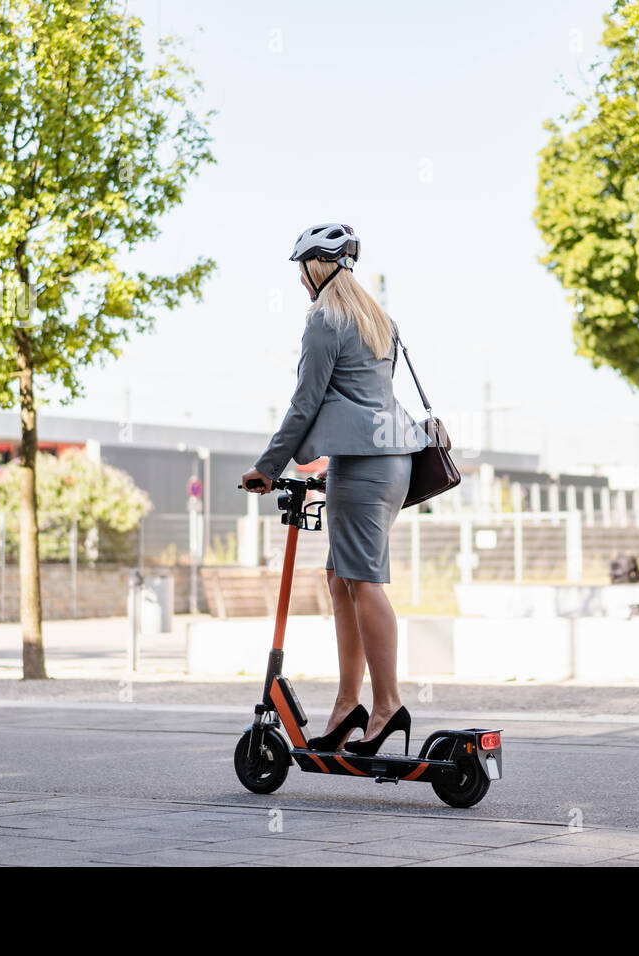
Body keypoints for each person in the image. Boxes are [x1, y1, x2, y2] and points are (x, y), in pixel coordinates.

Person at [240, 223, 429, 756]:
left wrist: (267, 465)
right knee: (340, 578)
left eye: (302, 269)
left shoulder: (325, 319)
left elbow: (306, 401)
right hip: (384, 461)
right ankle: (349, 703)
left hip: (367, 466)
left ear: (314, 267)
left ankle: (388, 705)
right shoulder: (376, 317)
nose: (301, 280)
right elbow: (364, 401)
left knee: (363, 581)